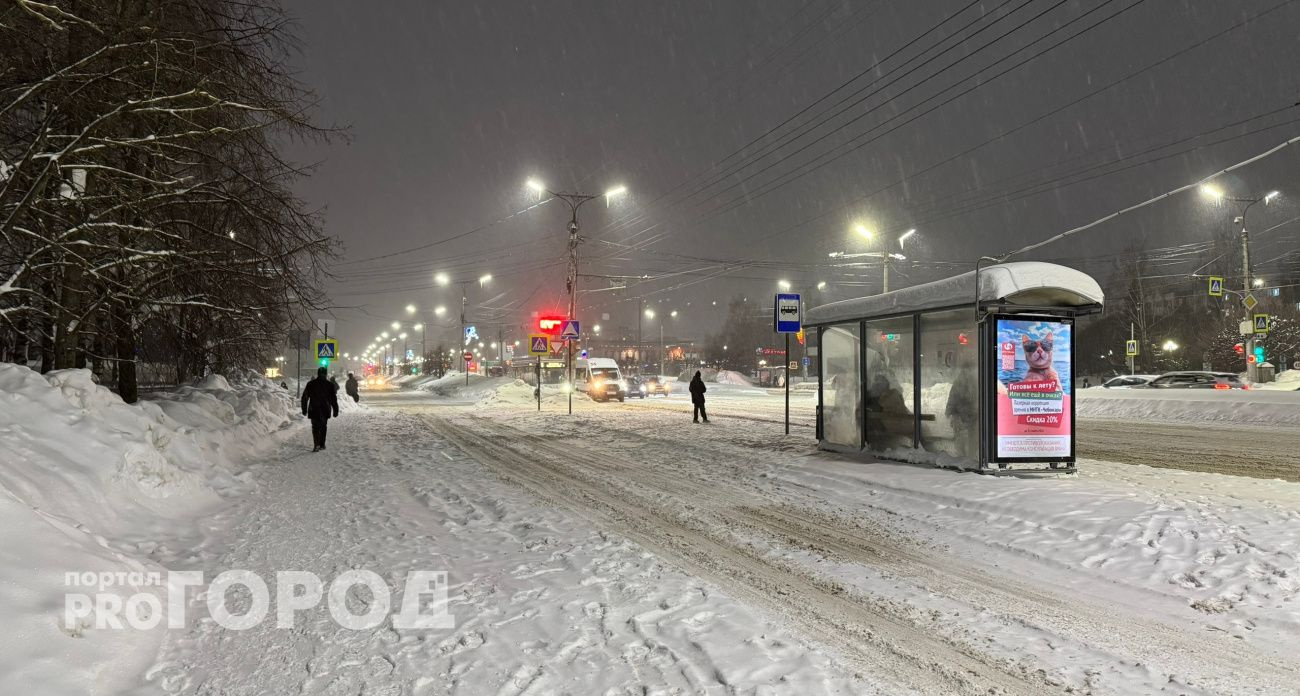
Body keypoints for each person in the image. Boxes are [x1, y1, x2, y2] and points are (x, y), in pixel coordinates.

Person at [301, 366, 340, 452]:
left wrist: (304, 409)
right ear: (326, 374)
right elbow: (333, 399)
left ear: (318, 373)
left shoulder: (311, 384)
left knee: (315, 427)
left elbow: (305, 397)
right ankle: (322, 444)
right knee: (323, 426)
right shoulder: (329, 385)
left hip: (313, 408)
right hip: (325, 409)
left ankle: (316, 444)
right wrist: (335, 410)